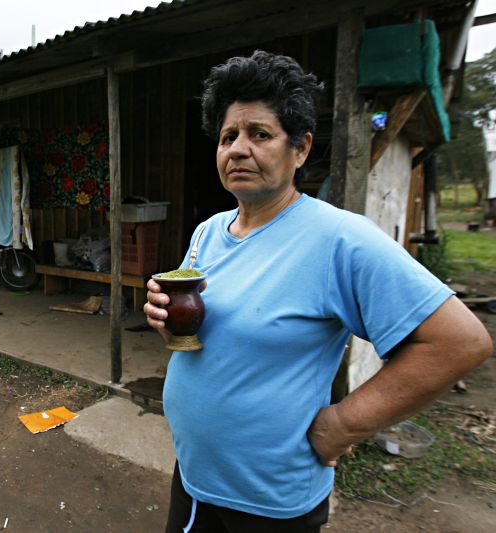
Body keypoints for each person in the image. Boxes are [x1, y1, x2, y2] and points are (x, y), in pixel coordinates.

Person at [144, 51, 492, 532]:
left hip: (269, 500)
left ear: (301, 149)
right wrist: (165, 317)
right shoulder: (207, 232)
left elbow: (459, 342)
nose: (237, 150)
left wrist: (344, 424)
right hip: (196, 477)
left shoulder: (338, 239)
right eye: (228, 137)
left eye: (259, 134)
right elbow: (197, 337)